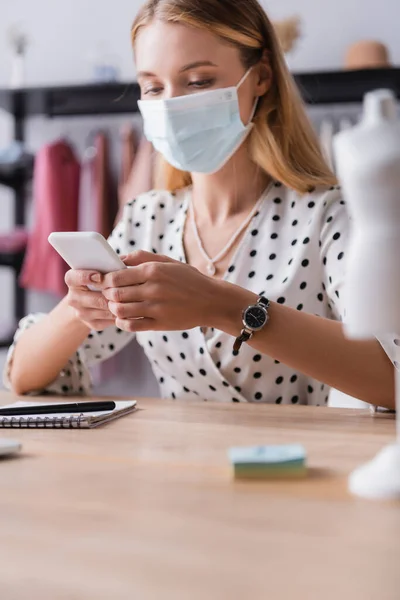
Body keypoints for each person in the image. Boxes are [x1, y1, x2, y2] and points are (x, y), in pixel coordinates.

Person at [5, 0, 396, 409]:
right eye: (153, 87)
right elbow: (24, 378)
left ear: (260, 76)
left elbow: (394, 375)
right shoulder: (147, 219)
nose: (171, 106)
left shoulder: (327, 216)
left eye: (197, 82)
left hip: (300, 470)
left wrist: (223, 306)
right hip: (177, 467)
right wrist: (76, 309)